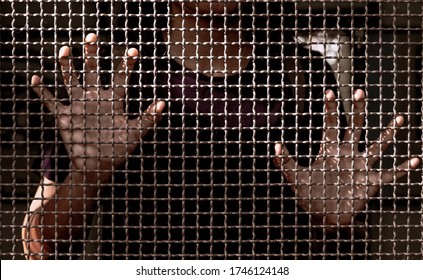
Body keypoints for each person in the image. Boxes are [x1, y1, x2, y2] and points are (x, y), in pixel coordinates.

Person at [22, 2, 420, 259]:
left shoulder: (303, 76)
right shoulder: (107, 75)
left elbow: (337, 245)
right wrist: (89, 177)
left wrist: (330, 221)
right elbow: (36, 245)